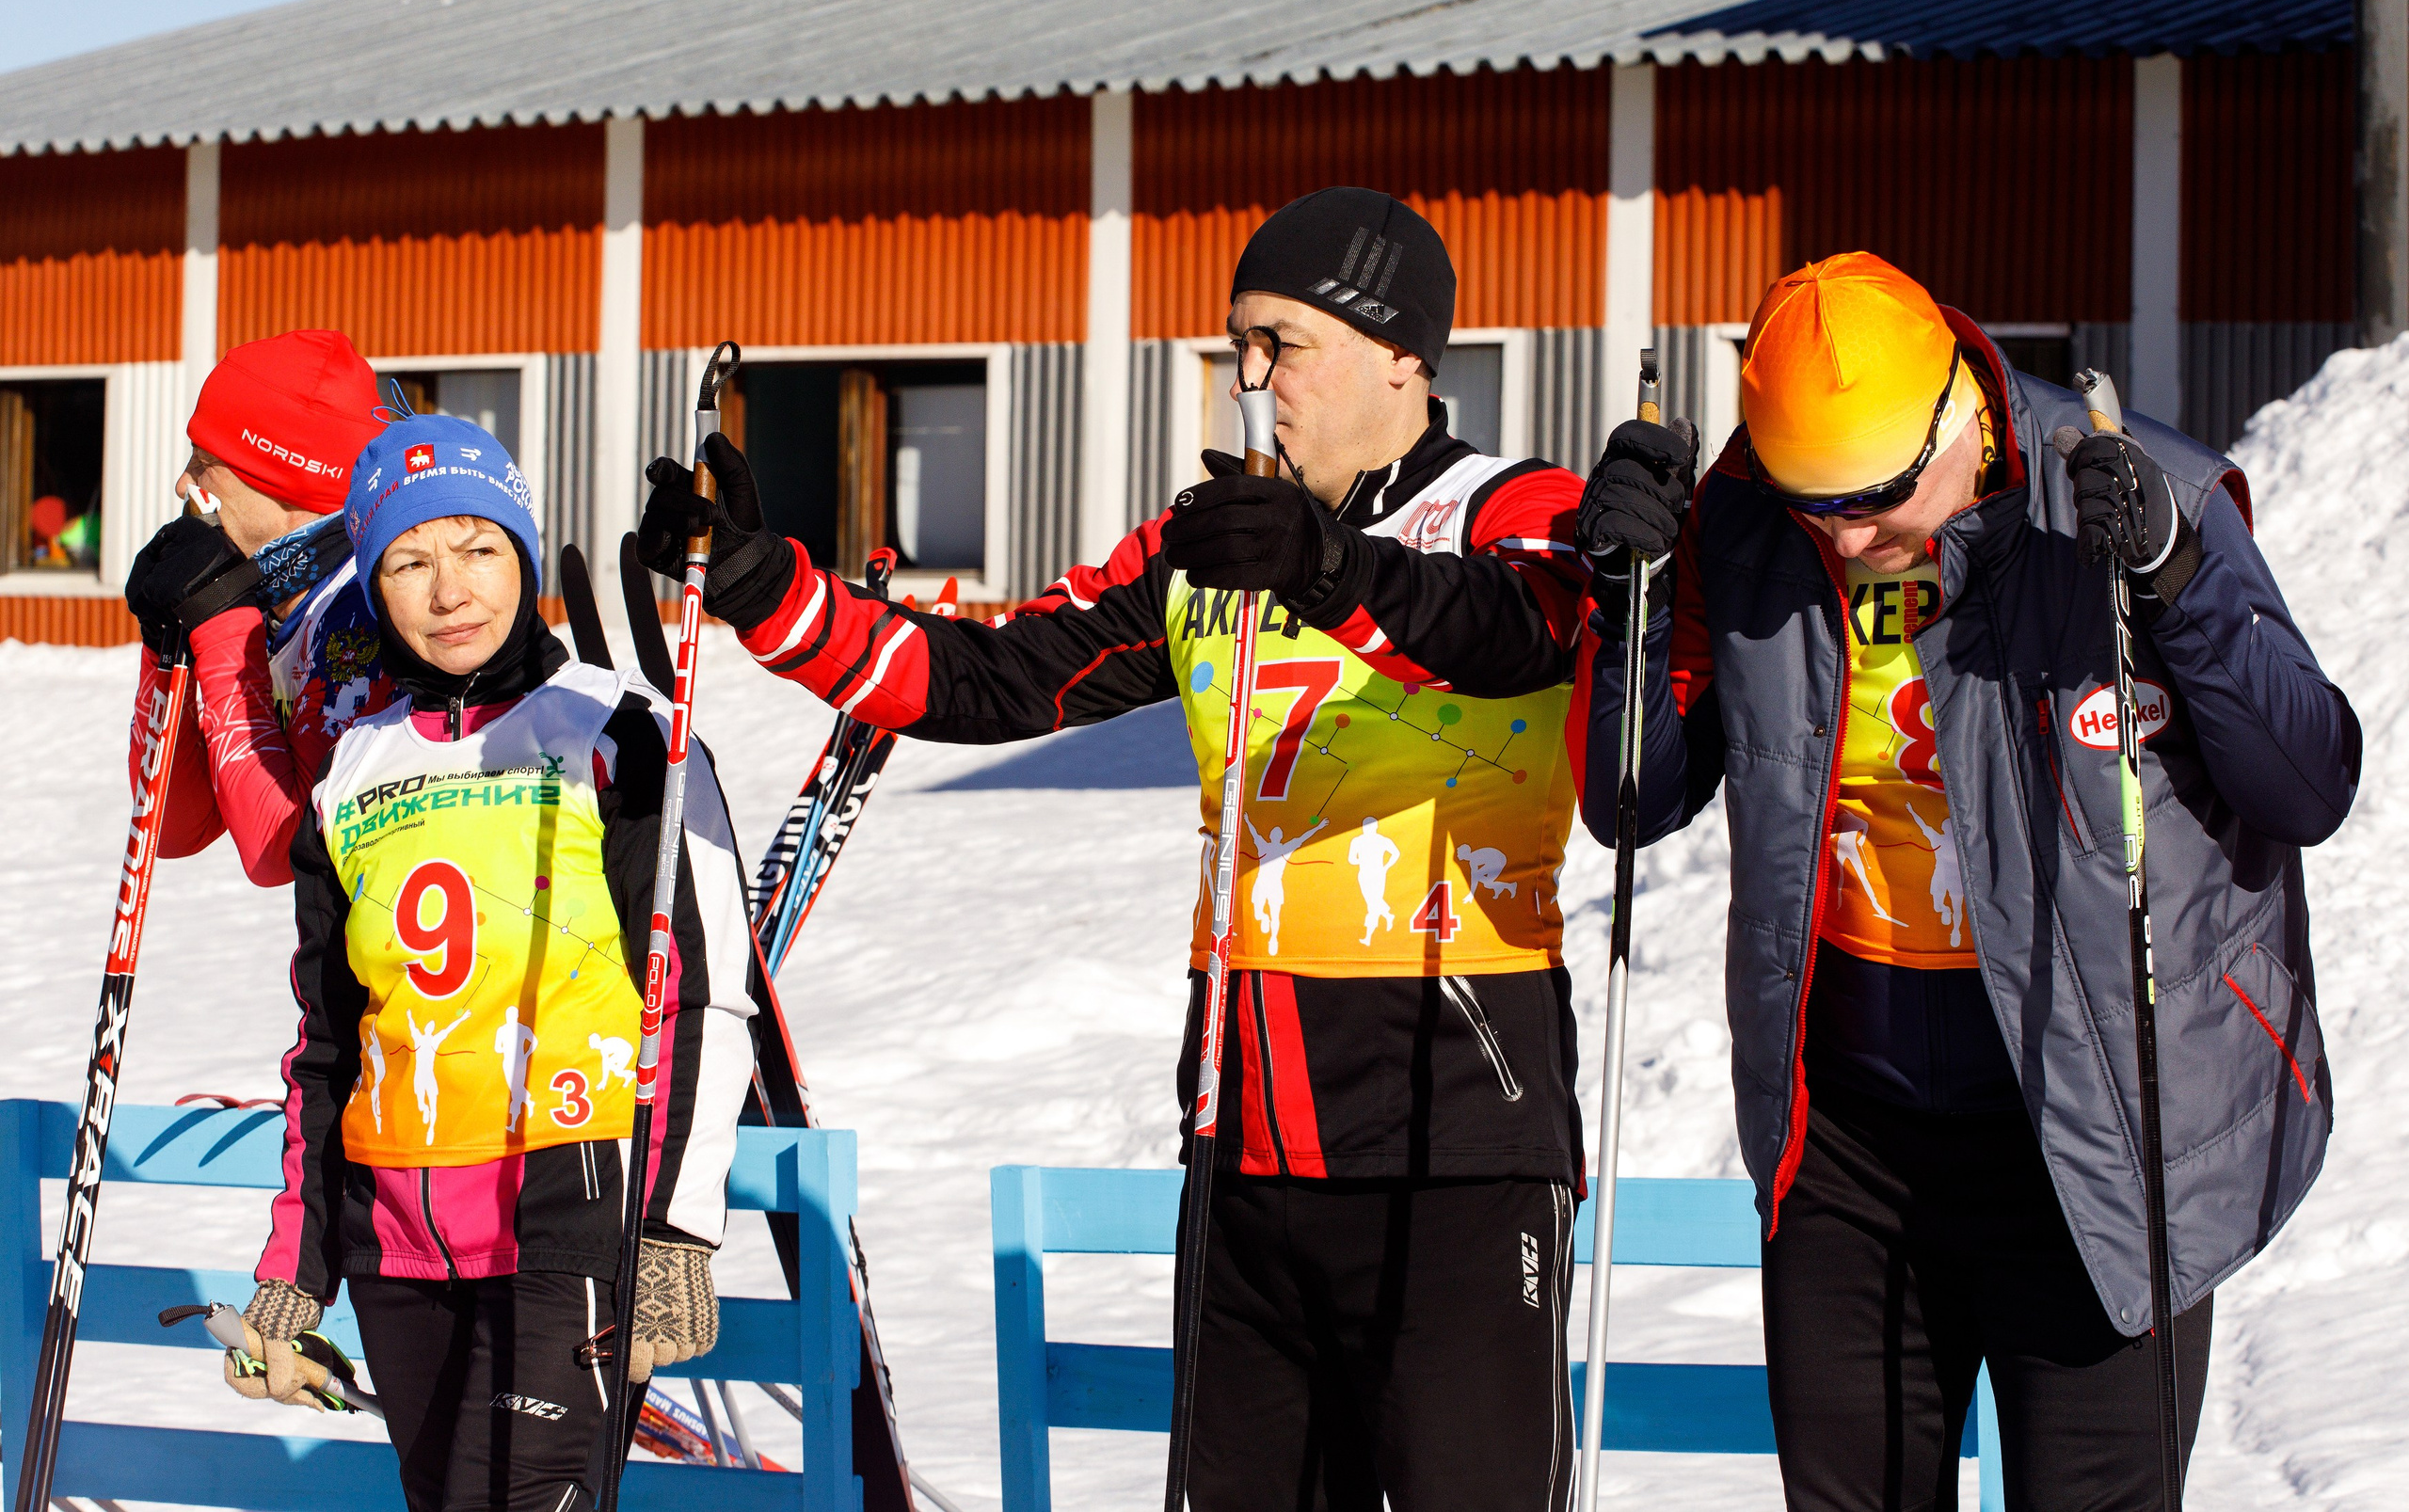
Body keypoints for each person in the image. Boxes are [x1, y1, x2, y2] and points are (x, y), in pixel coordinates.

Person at [638, 187, 1595, 1507]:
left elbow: (1519, 631)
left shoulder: (1518, 511)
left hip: (1459, 1138)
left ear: (1401, 354)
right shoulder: (1217, 545)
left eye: (1286, 344)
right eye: (1241, 345)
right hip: (1249, 1137)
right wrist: (770, 590)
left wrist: (1334, 573)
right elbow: (982, 675)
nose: (1255, 382)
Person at [1576, 251, 2360, 1510]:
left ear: (1959, 413)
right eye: (1811, 502)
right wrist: (1632, 595)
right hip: (1851, 1152)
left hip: (2094, 1135)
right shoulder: (1749, 523)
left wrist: (2179, 576)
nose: (1847, 535)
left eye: (1879, 498)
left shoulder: (2123, 494)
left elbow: (2306, 782)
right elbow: (1634, 795)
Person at [225, 415, 758, 1512]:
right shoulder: (348, 776)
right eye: (409, 562)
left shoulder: (625, 735)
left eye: (478, 547)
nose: (449, 589)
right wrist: (298, 1265)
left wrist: (675, 1225)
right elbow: (328, 1049)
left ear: (522, 551)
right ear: (374, 588)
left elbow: (704, 997)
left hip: (569, 1221)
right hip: (399, 1247)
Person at [121, 328, 394, 885]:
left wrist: (225, 621)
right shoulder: (281, 599)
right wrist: (164, 644)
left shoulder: (358, 611)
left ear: (283, 479)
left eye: (204, 463)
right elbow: (171, 829)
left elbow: (283, 851)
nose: (183, 485)